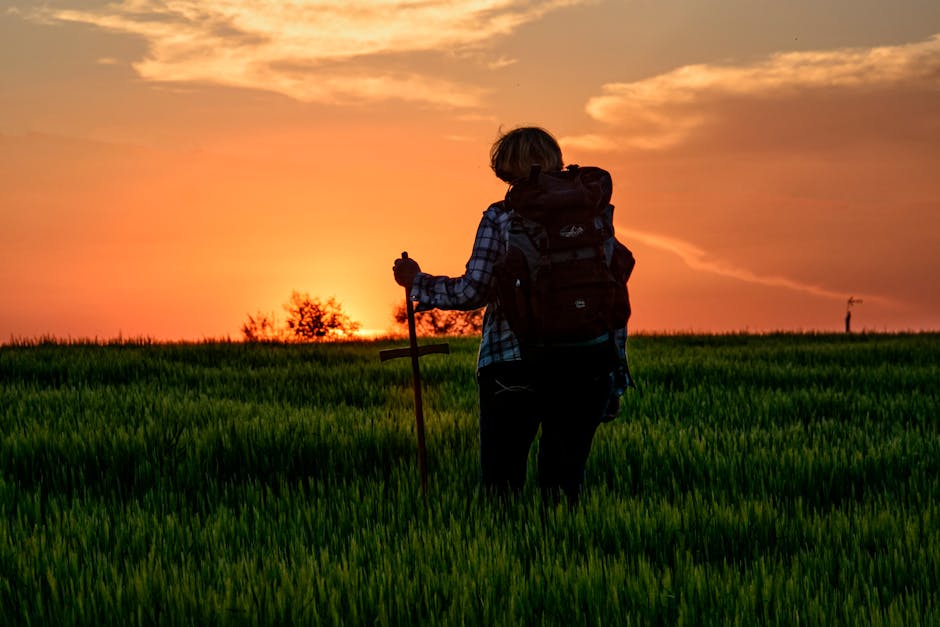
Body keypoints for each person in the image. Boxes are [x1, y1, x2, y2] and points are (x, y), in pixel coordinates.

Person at [392, 126, 630, 501]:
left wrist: (418, 282)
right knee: (564, 487)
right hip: (588, 365)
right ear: (554, 160)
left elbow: (474, 291)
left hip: (513, 363)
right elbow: (612, 300)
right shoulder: (595, 218)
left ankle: (508, 553)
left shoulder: (502, 217)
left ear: (506, 168)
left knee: (502, 487)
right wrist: (614, 377)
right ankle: (561, 554)